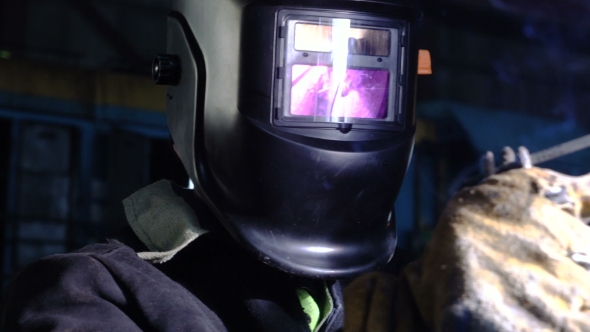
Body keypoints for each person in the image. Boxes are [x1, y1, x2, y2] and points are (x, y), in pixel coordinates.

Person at [0, 0, 427, 330]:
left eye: (361, 84)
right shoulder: (90, 294)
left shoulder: (400, 294)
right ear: (199, 81)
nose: (338, 100)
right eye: (311, 82)